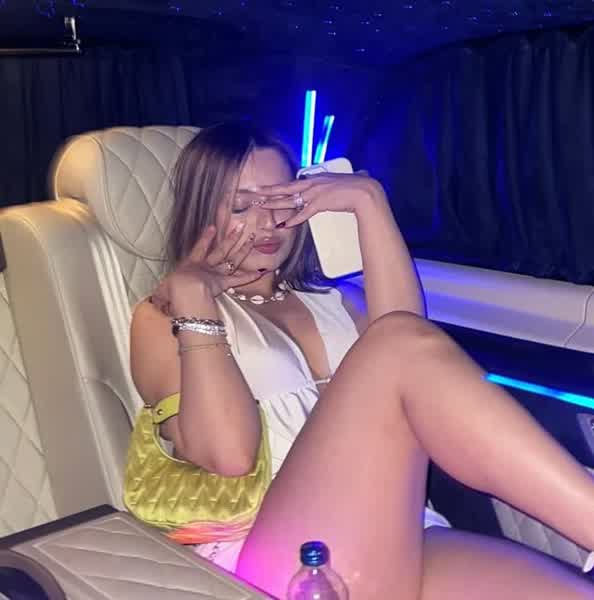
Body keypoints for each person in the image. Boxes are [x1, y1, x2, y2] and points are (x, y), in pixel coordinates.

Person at [130, 121, 594, 599]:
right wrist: (195, 297)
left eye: (281, 201)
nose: (267, 224)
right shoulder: (165, 317)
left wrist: (369, 202)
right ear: (201, 211)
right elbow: (229, 456)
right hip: (271, 554)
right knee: (395, 341)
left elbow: (421, 371)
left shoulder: (338, 300)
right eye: (242, 206)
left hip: (399, 533)